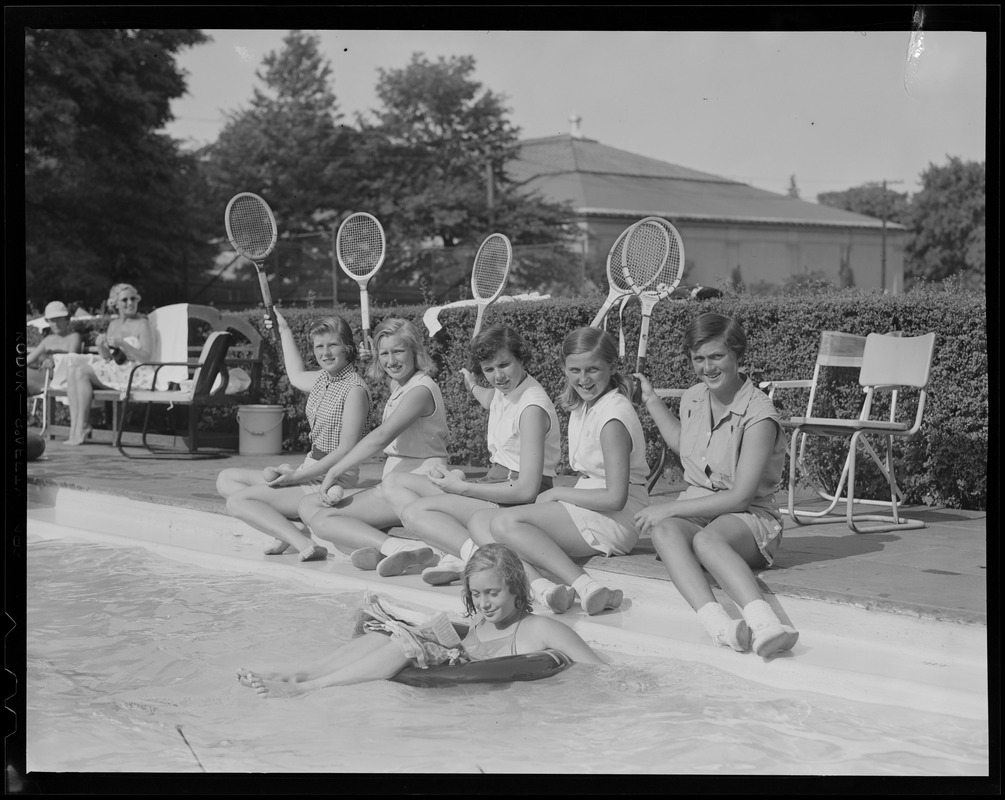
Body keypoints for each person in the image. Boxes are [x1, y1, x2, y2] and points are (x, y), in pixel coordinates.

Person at [633, 312, 798, 660]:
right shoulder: (693, 397)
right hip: (701, 510)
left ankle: (766, 625)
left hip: (749, 518)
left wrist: (671, 506)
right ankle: (720, 627)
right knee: (663, 532)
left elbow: (740, 497)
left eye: (716, 357)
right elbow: (685, 445)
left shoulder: (760, 414)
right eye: (699, 358)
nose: (707, 367)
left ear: (737, 355)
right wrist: (650, 399)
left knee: (707, 540)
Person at [236, 543, 602, 697]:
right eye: (476, 594)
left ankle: (306, 688)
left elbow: (597, 669)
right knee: (390, 634)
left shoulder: (540, 629)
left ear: (517, 589)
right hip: (449, 681)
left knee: (405, 643)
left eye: (493, 593)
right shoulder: (477, 624)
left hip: (475, 703)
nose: (484, 603)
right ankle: (299, 673)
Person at [472, 327, 650, 617]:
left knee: (504, 523)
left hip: (617, 517)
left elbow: (616, 498)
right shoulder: (585, 405)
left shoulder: (613, 417)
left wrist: (556, 493)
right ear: (564, 369)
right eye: (575, 370)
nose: (583, 379)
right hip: (587, 503)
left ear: (612, 366)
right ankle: (542, 587)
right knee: (481, 521)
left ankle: (586, 586)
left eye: (593, 369)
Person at [376, 324, 561, 584]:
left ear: (521, 357)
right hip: (494, 485)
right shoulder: (506, 390)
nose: (498, 377)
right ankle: (457, 554)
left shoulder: (532, 409)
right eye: (489, 369)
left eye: (504, 365)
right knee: (395, 482)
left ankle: (473, 557)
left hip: (516, 500)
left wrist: (462, 488)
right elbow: (490, 399)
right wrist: (472, 385)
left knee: (414, 513)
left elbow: (526, 490)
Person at [215, 311, 369, 562]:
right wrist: (284, 329)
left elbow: (346, 450)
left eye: (332, 345)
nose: (325, 353)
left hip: (331, 479)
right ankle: (292, 527)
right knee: (226, 479)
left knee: (236, 503)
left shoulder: (354, 389)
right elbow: (296, 375)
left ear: (347, 347)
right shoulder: (323, 378)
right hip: (309, 470)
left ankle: (301, 541)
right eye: (319, 346)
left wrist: (296, 477)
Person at [297, 318, 450, 568]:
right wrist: (367, 356)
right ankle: (395, 550)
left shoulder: (420, 391)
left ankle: (399, 549)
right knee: (310, 507)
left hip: (417, 486)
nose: (391, 360)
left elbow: (380, 437)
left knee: (325, 520)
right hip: (392, 484)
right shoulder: (401, 383)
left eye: (399, 351)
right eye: (385, 353)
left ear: (415, 351)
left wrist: (333, 470)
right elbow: (383, 372)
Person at [63, 284, 154, 445]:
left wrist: (124, 344)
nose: (130, 303)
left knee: (81, 371)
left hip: (135, 373)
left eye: (133, 298)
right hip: (117, 369)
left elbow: (146, 357)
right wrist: (101, 346)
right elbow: (109, 358)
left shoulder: (142, 324)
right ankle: (75, 428)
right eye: (124, 300)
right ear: (115, 303)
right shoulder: (114, 325)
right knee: (72, 369)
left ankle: (83, 426)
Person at [26, 301, 84, 395]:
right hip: (45, 376)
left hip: (60, 378)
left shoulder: (74, 337)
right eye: (52, 320)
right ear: (48, 322)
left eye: (59, 319)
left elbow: (71, 360)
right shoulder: (48, 340)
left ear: (66, 319)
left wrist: (52, 361)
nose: (56, 324)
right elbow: (29, 359)